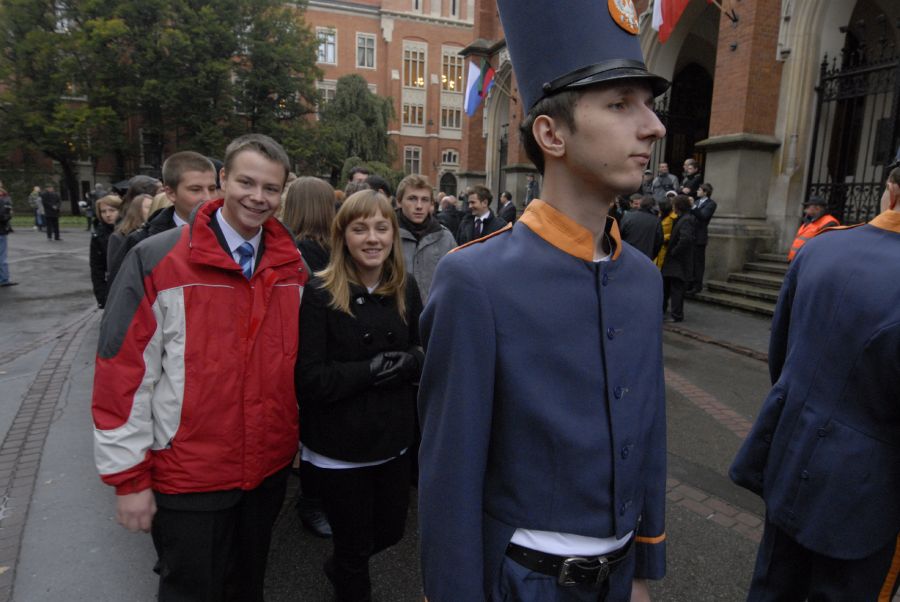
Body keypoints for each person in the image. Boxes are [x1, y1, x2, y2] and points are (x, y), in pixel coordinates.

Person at [418, 0, 669, 599]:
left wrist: (642, 567)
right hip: (522, 583)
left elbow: (648, 423)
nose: (653, 126)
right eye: (619, 104)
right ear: (551, 132)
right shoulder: (476, 280)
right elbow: (450, 472)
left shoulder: (641, 277)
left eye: (649, 104)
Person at [92, 134, 304, 601]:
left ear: (282, 192)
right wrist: (128, 479)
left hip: (265, 472)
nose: (258, 197)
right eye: (246, 181)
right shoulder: (157, 259)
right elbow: (121, 373)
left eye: (270, 188)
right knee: (191, 591)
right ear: (222, 180)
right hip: (189, 476)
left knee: (246, 589)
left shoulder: (292, 268)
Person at [729, 166, 900, 602]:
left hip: (792, 452)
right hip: (870, 495)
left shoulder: (823, 247)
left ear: (892, 192)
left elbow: (781, 355)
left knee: (772, 585)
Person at [296, 190, 422, 602]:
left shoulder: (404, 288)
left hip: (392, 441)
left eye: (381, 228)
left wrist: (411, 362)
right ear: (343, 235)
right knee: (353, 550)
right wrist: (368, 371)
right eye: (360, 228)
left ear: (393, 234)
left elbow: (423, 348)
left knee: (390, 532)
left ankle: (340, 566)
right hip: (339, 447)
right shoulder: (320, 293)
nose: (372, 238)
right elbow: (310, 380)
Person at [280, 175, 337, 539]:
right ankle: (311, 502)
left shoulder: (318, 247)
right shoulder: (297, 250)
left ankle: (314, 498)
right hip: (310, 348)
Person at [106, 152, 217, 286]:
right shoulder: (141, 243)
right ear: (170, 193)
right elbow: (122, 297)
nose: (207, 198)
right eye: (195, 189)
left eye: (212, 189)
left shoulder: (231, 234)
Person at [396, 174, 456, 302]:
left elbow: (455, 280)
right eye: (412, 199)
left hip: (434, 316)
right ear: (399, 201)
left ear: (431, 204)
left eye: (424, 200)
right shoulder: (387, 237)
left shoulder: (445, 237)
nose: (419, 206)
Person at [661, 195, 696, 323]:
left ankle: (676, 314)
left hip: (678, 262)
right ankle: (667, 311)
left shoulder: (686, 220)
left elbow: (685, 239)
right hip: (675, 261)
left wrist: (674, 251)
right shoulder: (683, 218)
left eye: (674, 205)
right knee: (669, 286)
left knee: (676, 288)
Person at [106, 193, 152, 280]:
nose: (153, 210)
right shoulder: (119, 236)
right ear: (138, 211)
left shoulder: (152, 233)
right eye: (149, 207)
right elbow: (114, 271)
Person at [89, 194, 123, 308]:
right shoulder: (98, 235)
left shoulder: (130, 230)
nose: (108, 214)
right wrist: (102, 296)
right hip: (112, 286)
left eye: (112, 210)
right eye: (103, 211)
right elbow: (96, 268)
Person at [787, 195, 840, 261]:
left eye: (808, 207)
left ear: (817, 208)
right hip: (796, 261)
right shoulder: (809, 221)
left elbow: (825, 246)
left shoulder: (829, 222)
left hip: (808, 261)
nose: (805, 209)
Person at [687, 182, 717, 293]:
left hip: (700, 236)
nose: (697, 191)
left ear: (705, 192)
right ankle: (689, 283)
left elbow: (703, 216)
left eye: (699, 190)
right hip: (691, 234)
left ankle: (697, 285)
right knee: (690, 261)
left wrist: (693, 207)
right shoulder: (697, 201)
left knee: (698, 262)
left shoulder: (711, 204)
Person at [620, 195, 663, 261]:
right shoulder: (656, 221)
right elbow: (658, 242)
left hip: (626, 254)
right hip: (645, 257)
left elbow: (619, 235)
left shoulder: (628, 216)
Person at [654, 192, 677, 269]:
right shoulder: (659, 216)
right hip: (659, 247)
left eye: (659, 206)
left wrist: (664, 238)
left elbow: (675, 233)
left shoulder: (674, 218)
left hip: (666, 248)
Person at [0, 186, 16, 287]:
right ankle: (4, 278)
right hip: (0, 232)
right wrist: (9, 214)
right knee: (2, 256)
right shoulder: (2, 202)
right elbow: (2, 217)